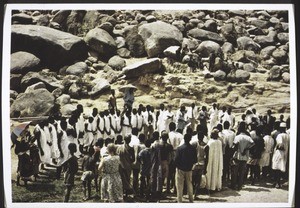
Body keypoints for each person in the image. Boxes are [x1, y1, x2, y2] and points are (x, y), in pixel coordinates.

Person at [230, 122, 254, 190]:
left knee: (235, 172)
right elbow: (253, 144)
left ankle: (233, 185)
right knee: (241, 172)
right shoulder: (248, 137)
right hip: (245, 156)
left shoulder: (237, 137)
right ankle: (240, 185)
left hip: (237, 155)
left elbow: (234, 146)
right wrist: (247, 148)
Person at [174, 133, 197, 203]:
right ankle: (191, 199)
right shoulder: (193, 148)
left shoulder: (179, 149)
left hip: (180, 169)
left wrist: (178, 166)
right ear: (190, 139)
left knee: (179, 186)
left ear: (184, 139)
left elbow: (176, 160)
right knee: (189, 184)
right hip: (189, 169)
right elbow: (195, 160)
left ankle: (180, 200)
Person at [191, 130, 207, 199]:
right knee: (198, 180)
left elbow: (191, 154)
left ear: (197, 137)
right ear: (203, 137)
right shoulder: (206, 145)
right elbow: (207, 158)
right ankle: (195, 194)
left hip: (194, 164)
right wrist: (205, 168)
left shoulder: (194, 144)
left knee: (192, 179)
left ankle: (191, 193)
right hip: (201, 164)